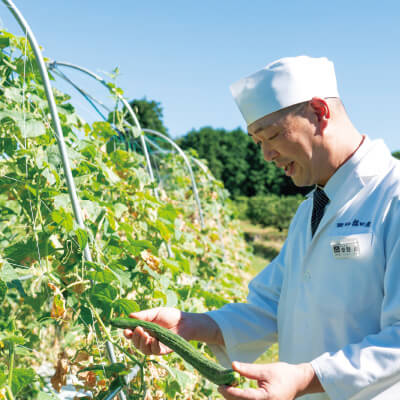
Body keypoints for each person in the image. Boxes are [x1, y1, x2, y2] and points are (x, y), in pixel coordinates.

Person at [123, 56, 400, 399]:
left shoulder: (393, 196)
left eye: (271, 136)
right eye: (257, 143)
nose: (267, 155)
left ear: (319, 112)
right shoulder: (308, 213)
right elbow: (270, 306)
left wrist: (306, 376)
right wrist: (188, 326)